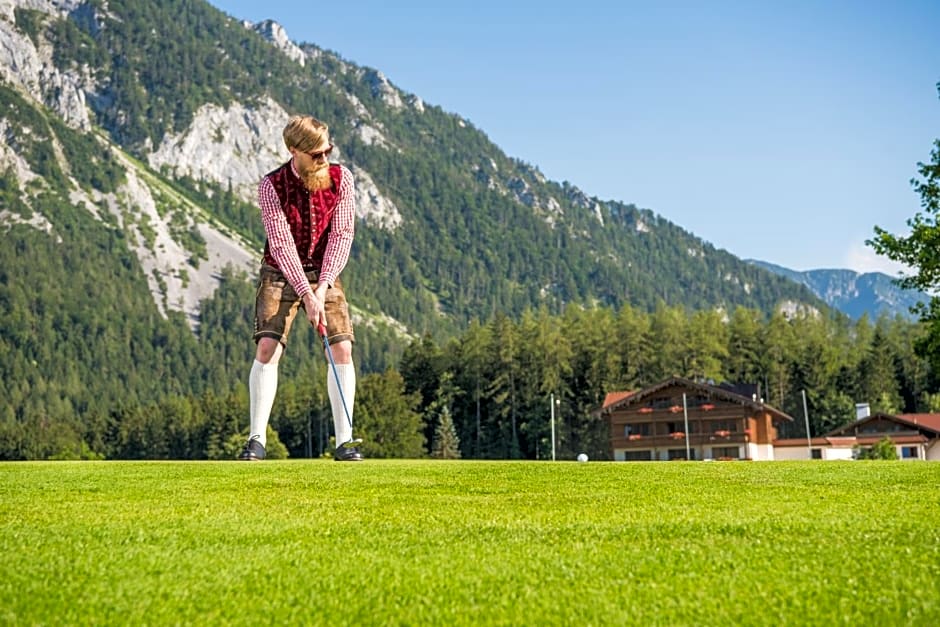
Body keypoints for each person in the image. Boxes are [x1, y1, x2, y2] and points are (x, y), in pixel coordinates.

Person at [238, 115, 362, 462]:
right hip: (280, 271)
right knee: (267, 346)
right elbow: (280, 245)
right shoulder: (271, 185)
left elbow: (342, 235)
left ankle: (345, 441)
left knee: (341, 349)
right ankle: (256, 440)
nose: (324, 159)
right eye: (316, 154)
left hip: (325, 271)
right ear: (295, 151)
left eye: (327, 151)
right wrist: (305, 295)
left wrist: (321, 289)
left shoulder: (342, 179)